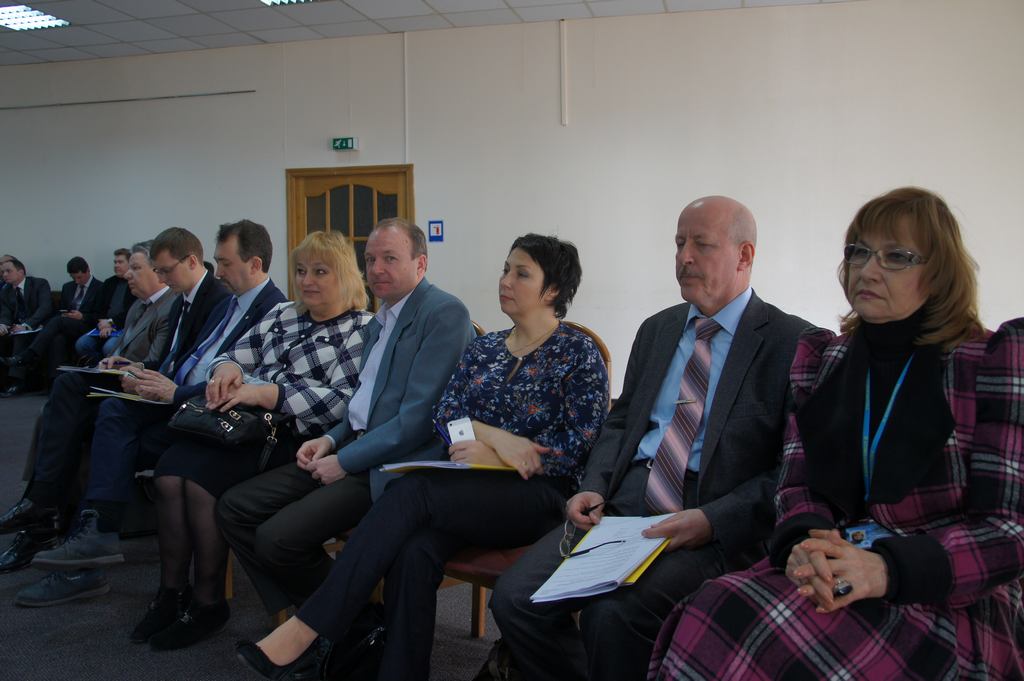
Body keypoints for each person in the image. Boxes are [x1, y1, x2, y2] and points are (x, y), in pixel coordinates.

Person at [648, 187, 1024, 680]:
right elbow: (797, 484)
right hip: (832, 569)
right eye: (858, 252)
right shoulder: (826, 359)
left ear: (938, 273)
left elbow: (1008, 532)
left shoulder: (989, 363)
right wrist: (804, 542)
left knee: (775, 646)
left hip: (942, 592)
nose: (868, 270)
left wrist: (885, 569)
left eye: (896, 257)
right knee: (712, 610)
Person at [236, 233, 610, 681]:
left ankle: (310, 628)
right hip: (469, 488)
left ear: (553, 290)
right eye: (505, 269)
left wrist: (501, 457)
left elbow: (579, 445)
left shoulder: (577, 352)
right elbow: (445, 415)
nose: (505, 281)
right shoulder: (487, 348)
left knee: (411, 490)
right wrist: (493, 437)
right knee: (414, 552)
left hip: (539, 494)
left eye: (521, 274)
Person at [490, 196, 811, 681]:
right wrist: (594, 484)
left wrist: (712, 519)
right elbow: (620, 423)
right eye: (679, 243)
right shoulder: (659, 330)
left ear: (744, 256)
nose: (684, 257)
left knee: (613, 614)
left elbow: (790, 473)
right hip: (627, 501)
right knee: (515, 599)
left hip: (713, 513)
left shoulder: (792, 343)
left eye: (701, 245)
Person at [18, 220, 287, 608]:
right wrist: (147, 373)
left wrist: (173, 390)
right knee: (82, 410)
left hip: (207, 414)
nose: (218, 271)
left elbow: (243, 384)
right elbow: (192, 358)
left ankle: (80, 544)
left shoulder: (272, 310)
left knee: (105, 427)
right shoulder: (231, 302)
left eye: (225, 263)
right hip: (179, 398)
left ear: (255, 263)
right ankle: (78, 540)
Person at [216, 218, 475, 617]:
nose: (376, 269)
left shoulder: (443, 313)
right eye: (370, 259)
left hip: (393, 465)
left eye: (390, 258)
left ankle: (338, 622)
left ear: (420, 264)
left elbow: (418, 421)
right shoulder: (382, 318)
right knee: (234, 507)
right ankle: (342, 620)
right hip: (354, 447)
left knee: (276, 539)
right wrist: (331, 439)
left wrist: (345, 460)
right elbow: (362, 404)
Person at [131, 230, 372, 651]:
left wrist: (269, 393)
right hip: (240, 425)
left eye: (320, 271)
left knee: (200, 484)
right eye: (301, 271)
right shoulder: (283, 313)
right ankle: (171, 592)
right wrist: (227, 369)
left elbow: (344, 404)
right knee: (169, 473)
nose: (307, 280)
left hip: (293, 438)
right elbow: (231, 354)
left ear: (346, 275)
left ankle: (208, 602)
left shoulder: (361, 329)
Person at [0, 241, 173, 574]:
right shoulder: (138, 307)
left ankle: (41, 511)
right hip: (116, 384)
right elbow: (121, 350)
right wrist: (110, 361)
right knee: (50, 414)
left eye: (136, 268)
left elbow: (156, 365)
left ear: (159, 271)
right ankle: (43, 516)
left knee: (65, 396)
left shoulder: (170, 308)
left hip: (136, 393)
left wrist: (121, 365)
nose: (128, 275)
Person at [1, 256, 103, 381]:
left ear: (88, 271)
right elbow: (61, 309)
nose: (76, 281)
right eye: (73, 278)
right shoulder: (68, 287)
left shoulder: (100, 287)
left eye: (79, 277)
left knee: (57, 321)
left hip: (86, 325)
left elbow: (100, 315)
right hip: (65, 324)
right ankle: (53, 380)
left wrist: (82, 316)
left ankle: (28, 354)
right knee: (57, 338)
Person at [0, 257, 53, 396]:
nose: (4, 274)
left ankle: (17, 381)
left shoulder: (39, 284)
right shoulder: (5, 291)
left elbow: (45, 308)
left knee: (20, 338)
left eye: (8, 271)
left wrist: (27, 325)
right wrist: (3, 325)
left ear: (21, 272)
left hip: (39, 327)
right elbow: (5, 313)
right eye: (2, 272)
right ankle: (3, 382)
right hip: (17, 327)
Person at [74, 248, 135, 363]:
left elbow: (132, 312)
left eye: (120, 262)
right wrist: (104, 323)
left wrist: (111, 323)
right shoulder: (109, 282)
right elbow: (99, 308)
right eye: (115, 262)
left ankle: (106, 367)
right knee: (81, 344)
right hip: (104, 326)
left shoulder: (134, 282)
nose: (116, 265)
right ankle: (98, 365)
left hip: (124, 327)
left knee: (109, 347)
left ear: (130, 264)